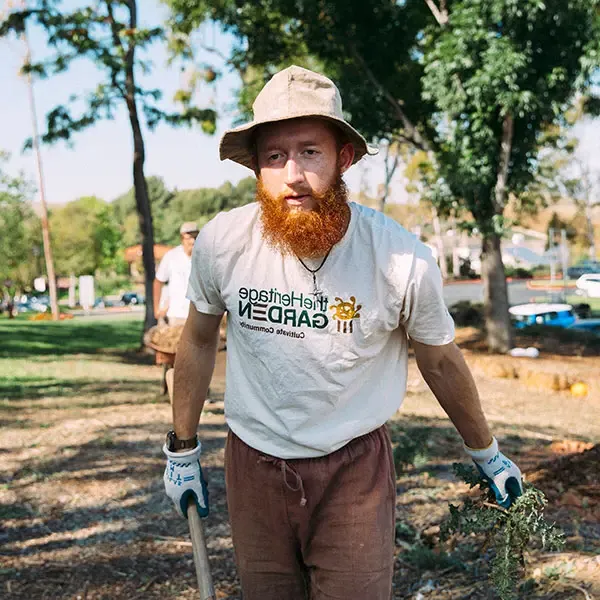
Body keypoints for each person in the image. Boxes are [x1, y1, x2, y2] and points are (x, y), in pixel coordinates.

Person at [162, 66, 523, 600]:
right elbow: (195, 341)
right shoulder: (222, 243)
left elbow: (441, 361)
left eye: (310, 152)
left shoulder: (399, 259)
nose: (293, 176)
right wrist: (182, 449)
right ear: (257, 168)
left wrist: (486, 452)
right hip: (254, 460)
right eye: (274, 157)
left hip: (354, 467)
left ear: (343, 159)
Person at [153, 222, 199, 326]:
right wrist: (156, 309)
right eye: (189, 237)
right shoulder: (171, 256)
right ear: (182, 238)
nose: (193, 241)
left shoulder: (203, 257)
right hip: (175, 315)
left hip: (197, 316)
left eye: (196, 237)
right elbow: (158, 282)